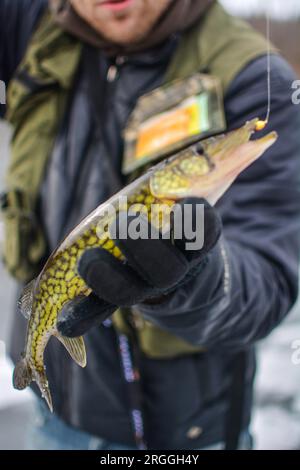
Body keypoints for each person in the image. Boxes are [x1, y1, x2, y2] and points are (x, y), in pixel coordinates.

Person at [0, 0, 300, 451]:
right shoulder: (32, 27)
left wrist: (194, 279)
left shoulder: (255, 75)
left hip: (188, 435)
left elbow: (270, 279)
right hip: (57, 418)